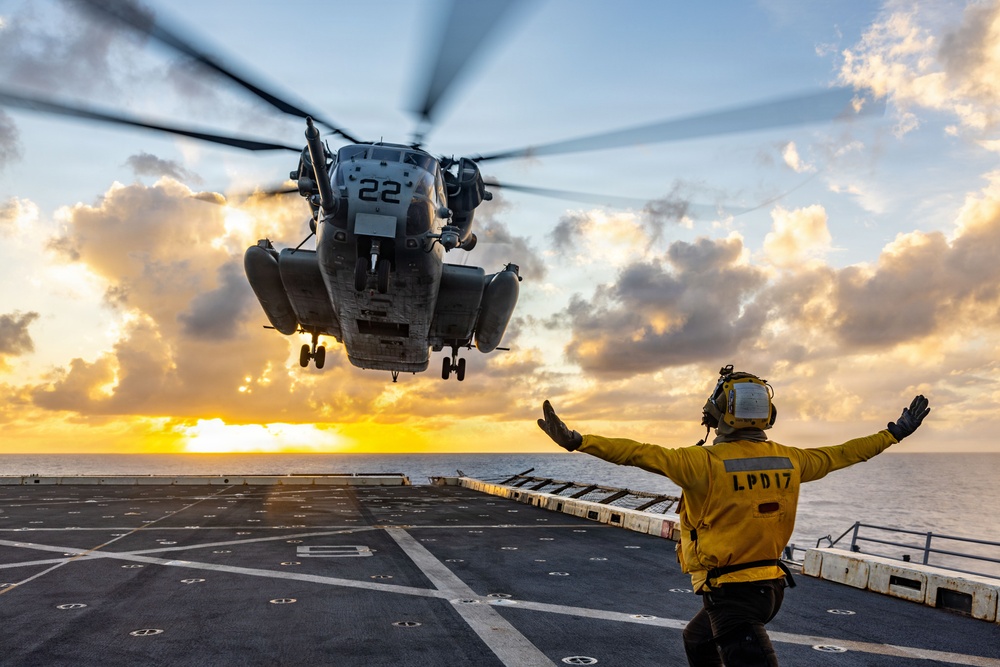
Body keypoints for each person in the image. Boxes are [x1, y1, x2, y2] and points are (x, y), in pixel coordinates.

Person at [536, 365, 930, 667]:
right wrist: (894, 432)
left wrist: (578, 441)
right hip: (770, 587)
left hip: (732, 594)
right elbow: (848, 451)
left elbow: (637, 452)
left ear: (719, 412)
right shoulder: (792, 460)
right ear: (767, 415)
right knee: (697, 640)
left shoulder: (701, 462)